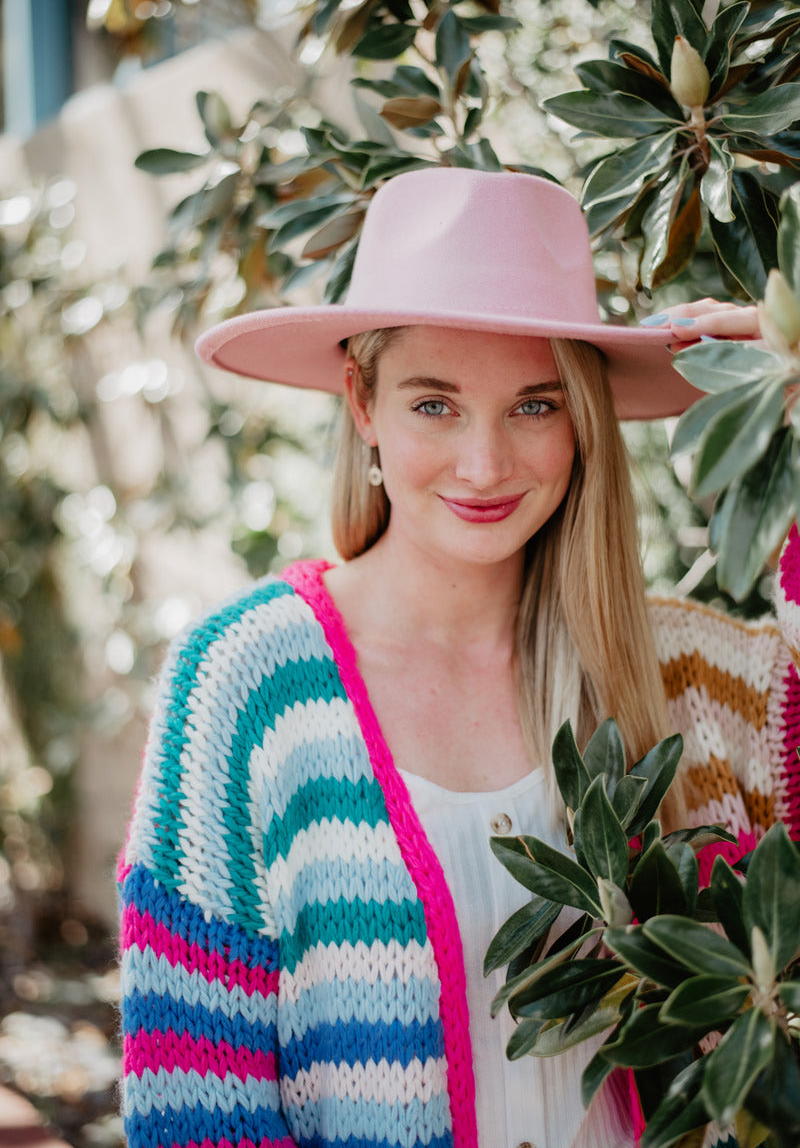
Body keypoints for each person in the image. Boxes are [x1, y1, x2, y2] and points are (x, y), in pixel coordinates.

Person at [117, 168, 800, 1148]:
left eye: (533, 406)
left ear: (583, 418)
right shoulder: (242, 687)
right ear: (361, 402)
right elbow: (193, 1104)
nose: (484, 465)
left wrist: (786, 386)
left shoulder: (700, 680)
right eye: (433, 405)